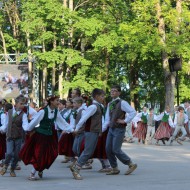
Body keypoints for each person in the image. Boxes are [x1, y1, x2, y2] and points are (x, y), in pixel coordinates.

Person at [19, 95, 73, 180]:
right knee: (39, 154)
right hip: (40, 136)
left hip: (50, 136)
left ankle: (40, 168)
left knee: (53, 153)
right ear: (51, 101)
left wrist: (72, 130)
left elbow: (62, 122)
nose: (58, 102)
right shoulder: (43, 111)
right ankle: (32, 173)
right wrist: (27, 128)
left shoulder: (56, 111)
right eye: (57, 100)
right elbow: (34, 122)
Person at [70, 88, 105, 180]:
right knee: (87, 151)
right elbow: (83, 118)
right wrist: (77, 128)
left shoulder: (98, 106)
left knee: (89, 152)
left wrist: (100, 130)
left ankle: (76, 166)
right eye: (102, 96)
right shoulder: (93, 107)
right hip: (91, 131)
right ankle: (76, 168)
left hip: (95, 131)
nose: (103, 98)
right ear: (96, 96)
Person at [102, 85, 137, 175]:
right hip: (111, 129)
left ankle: (130, 164)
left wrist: (125, 120)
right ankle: (114, 168)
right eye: (111, 90)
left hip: (119, 129)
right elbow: (107, 119)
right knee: (108, 149)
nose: (112, 92)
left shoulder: (122, 102)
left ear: (119, 92)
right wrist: (102, 129)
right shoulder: (110, 103)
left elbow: (133, 112)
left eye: (114, 90)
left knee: (116, 149)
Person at [0, 96, 29, 177]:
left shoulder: (23, 115)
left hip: (19, 137)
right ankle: (5, 166)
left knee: (17, 155)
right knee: (9, 153)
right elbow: (5, 124)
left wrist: (29, 129)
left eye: (24, 104)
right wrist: (1, 129)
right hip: (9, 136)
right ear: (16, 104)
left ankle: (12, 169)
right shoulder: (9, 112)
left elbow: (25, 125)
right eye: (21, 103)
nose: (22, 105)